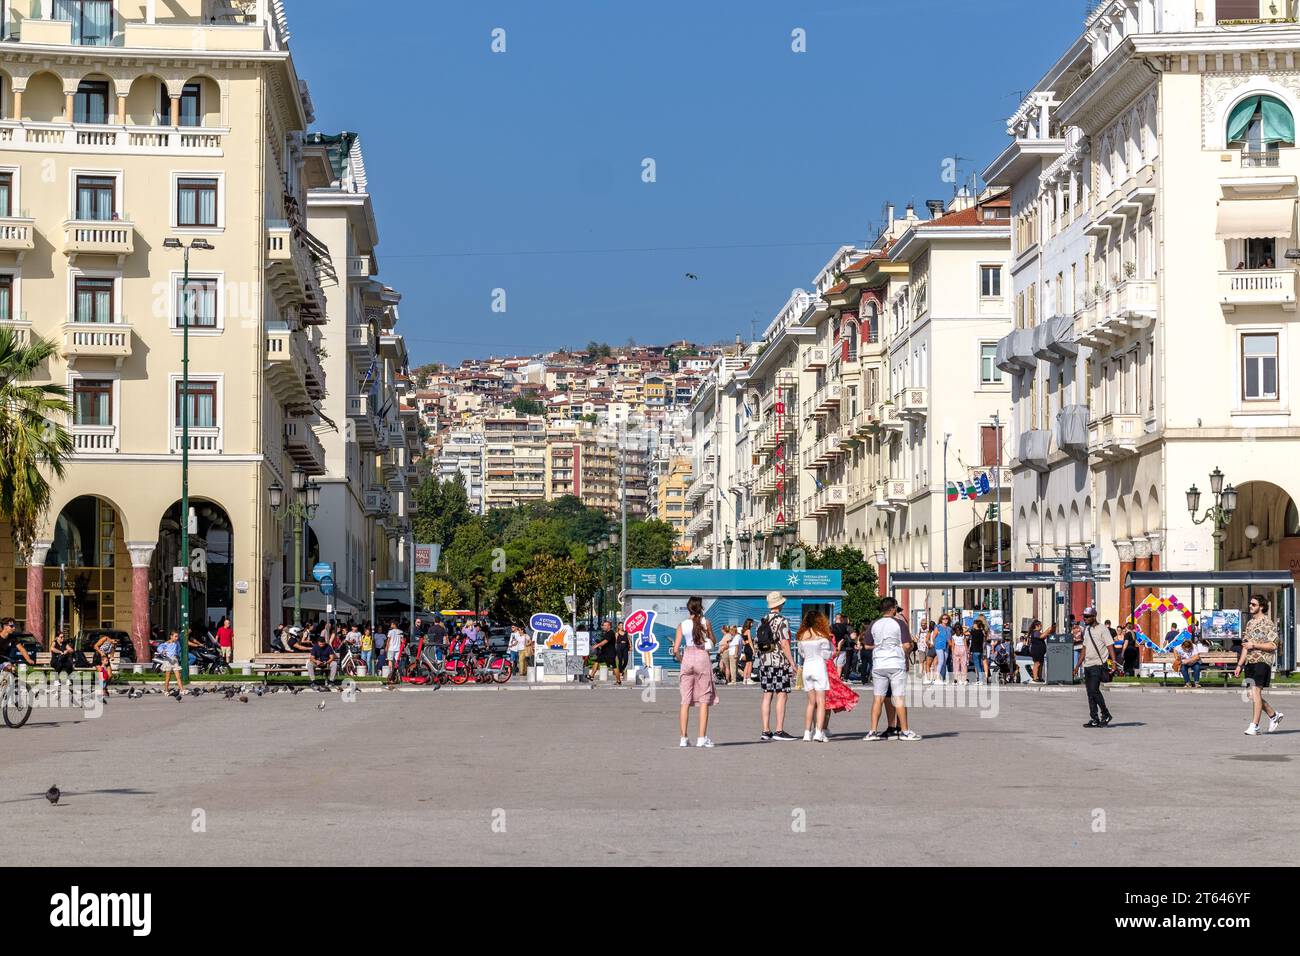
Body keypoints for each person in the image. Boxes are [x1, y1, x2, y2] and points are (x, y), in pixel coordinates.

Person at [862, 597, 920, 741]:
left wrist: (880, 646)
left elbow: (867, 645)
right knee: (899, 697)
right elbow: (907, 645)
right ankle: (905, 731)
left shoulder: (874, 624)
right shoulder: (899, 623)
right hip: (895, 663)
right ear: (893, 608)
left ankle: (873, 731)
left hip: (879, 664)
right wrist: (908, 648)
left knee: (878, 698)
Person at [1235, 594, 1284, 736]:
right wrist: (1239, 665)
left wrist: (1254, 645)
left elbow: (1273, 645)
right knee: (1251, 694)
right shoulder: (1250, 623)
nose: (1250, 606)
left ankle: (1254, 726)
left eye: (1253, 604)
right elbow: (1245, 646)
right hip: (1250, 661)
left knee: (1256, 692)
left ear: (1261, 606)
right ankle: (1274, 715)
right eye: (1250, 604)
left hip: (1263, 660)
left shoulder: (1268, 623)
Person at [672, 596, 718, 748]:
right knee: (704, 699)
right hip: (702, 657)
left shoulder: (682, 625)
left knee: (685, 700)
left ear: (688, 608)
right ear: (701, 608)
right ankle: (701, 738)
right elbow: (714, 640)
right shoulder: (706, 622)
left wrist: (681, 660)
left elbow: (676, 649)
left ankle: (683, 738)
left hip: (688, 658)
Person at [756, 592, 798, 741]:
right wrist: (792, 662)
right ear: (780, 604)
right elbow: (785, 643)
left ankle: (765, 730)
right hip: (779, 662)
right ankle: (779, 730)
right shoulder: (782, 621)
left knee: (767, 695)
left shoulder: (762, 621)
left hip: (764, 662)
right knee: (782, 694)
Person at [1075, 607, 1114, 728]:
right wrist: (1077, 666)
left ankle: (1105, 714)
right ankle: (1094, 718)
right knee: (1089, 693)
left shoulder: (1103, 629)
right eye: (1084, 616)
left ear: (1094, 616)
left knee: (1094, 690)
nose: (1084, 619)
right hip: (1087, 665)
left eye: (1087, 617)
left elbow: (1110, 645)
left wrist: (1113, 662)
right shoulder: (1087, 630)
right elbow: (1084, 649)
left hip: (1098, 664)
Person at [797, 609, 833, 742]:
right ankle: (819, 732)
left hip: (807, 667)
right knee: (821, 702)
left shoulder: (802, 636)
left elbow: (802, 653)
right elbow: (827, 655)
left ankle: (807, 732)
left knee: (811, 703)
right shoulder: (822, 637)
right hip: (819, 667)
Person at [157, 629, 185, 696]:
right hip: (168, 661)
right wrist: (163, 652)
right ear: (171, 636)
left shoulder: (177, 643)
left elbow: (178, 649)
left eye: (177, 636)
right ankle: (166, 690)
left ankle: (181, 690)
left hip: (175, 661)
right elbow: (159, 648)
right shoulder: (166, 643)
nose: (177, 638)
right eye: (175, 636)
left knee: (178, 676)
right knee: (168, 677)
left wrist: (177, 655)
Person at [929, 614, 953, 684]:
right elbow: (933, 637)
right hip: (939, 645)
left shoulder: (949, 628)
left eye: (946, 618)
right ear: (941, 620)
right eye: (943, 618)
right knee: (941, 661)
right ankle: (937, 678)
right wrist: (934, 644)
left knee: (944, 662)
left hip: (946, 646)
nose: (945, 620)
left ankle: (942, 678)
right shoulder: (938, 627)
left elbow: (950, 638)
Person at [969, 616, 987, 684]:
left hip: (975, 650)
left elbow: (965, 633)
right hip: (980, 650)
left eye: (974, 624)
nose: (973, 625)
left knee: (977, 666)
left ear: (976, 625)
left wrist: (968, 628)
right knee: (980, 665)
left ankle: (980, 680)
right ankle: (982, 679)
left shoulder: (973, 632)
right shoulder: (982, 632)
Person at [739, 618, 756, 684]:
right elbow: (750, 641)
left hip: (745, 647)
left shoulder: (743, 631)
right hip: (749, 647)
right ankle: (748, 678)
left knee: (747, 664)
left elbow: (743, 642)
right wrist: (753, 649)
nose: (752, 624)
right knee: (750, 663)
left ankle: (744, 679)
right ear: (749, 623)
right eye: (751, 623)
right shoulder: (748, 631)